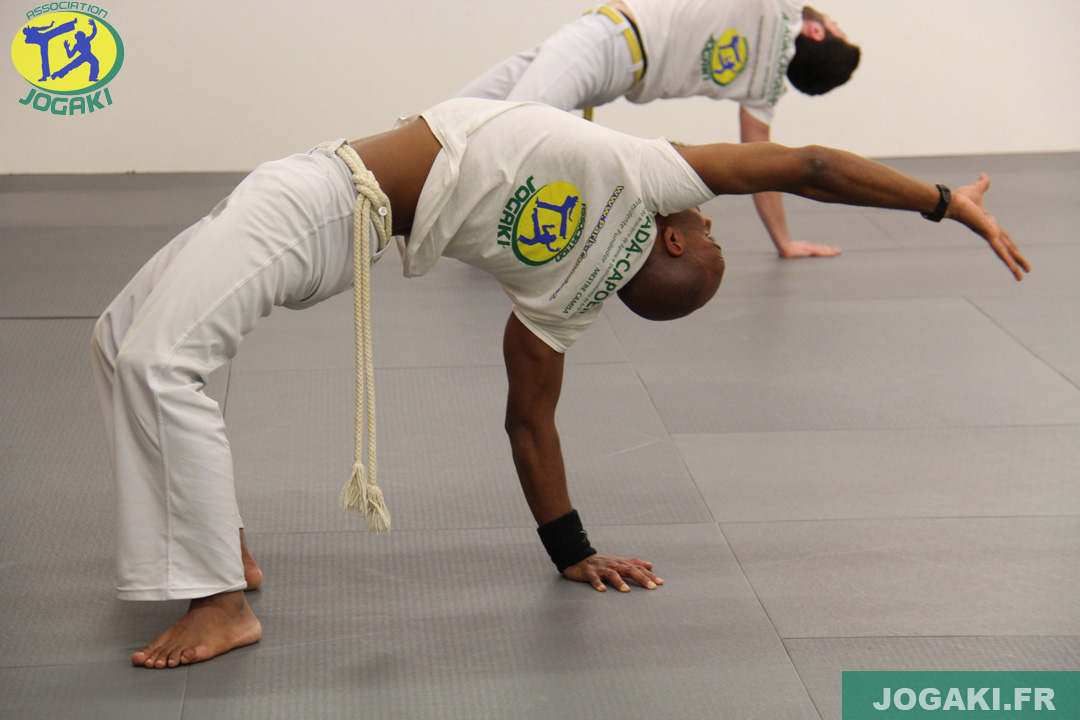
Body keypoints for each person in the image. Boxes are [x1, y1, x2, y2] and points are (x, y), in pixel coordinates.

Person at [90, 97, 1027, 670]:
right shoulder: (565, 296)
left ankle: (220, 599)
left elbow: (814, 167)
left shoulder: (643, 171)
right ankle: (223, 545)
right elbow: (528, 425)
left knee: (158, 359)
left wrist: (943, 203)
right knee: (124, 334)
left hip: (323, 202)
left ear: (669, 236)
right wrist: (572, 550)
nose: (709, 222)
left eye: (709, 234)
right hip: (334, 223)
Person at [453, 0, 861, 259]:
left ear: (817, 31)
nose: (833, 16)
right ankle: (425, 204)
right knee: (464, 115)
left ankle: (435, 218)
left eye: (837, 25)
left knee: (503, 129)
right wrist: (784, 242)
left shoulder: (777, 9)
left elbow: (765, 172)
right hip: (610, 67)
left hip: (606, 44)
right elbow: (765, 169)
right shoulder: (765, 90)